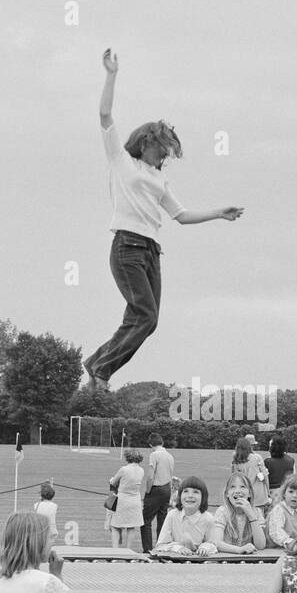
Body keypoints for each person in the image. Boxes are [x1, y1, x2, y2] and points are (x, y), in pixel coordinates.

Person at [83, 49, 244, 391]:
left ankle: (98, 364)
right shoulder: (121, 162)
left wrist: (219, 213)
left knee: (148, 320)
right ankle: (100, 368)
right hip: (126, 246)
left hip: (151, 251)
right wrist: (111, 74)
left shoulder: (159, 180)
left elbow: (182, 215)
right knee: (144, 313)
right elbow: (104, 114)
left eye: (168, 152)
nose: (165, 156)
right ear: (145, 144)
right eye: (161, 150)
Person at [140, 434, 174, 552]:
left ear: (150, 444)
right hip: (167, 489)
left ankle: (148, 549)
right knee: (162, 521)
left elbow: (150, 476)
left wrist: (147, 491)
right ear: (162, 443)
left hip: (156, 488)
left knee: (145, 520)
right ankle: (161, 547)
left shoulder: (154, 455)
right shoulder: (170, 456)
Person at [108, 447, 146, 550]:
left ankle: (115, 550)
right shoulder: (141, 470)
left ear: (127, 457)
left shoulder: (124, 469)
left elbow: (114, 482)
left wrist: (111, 480)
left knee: (115, 525)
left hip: (123, 500)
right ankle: (128, 550)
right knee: (131, 527)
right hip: (135, 500)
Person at [266, 474, 297, 550]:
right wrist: (289, 542)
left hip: (295, 548)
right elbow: (276, 532)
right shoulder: (279, 509)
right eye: (291, 492)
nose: (294, 496)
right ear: (284, 493)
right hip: (277, 549)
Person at [243, 433, 271, 517]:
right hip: (257, 493)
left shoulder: (238, 457)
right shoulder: (257, 457)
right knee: (259, 519)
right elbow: (265, 475)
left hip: (244, 492)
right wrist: (268, 491)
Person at [33, 481, 60, 548]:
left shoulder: (36, 505)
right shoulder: (54, 506)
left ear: (41, 495)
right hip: (52, 532)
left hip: (40, 533)